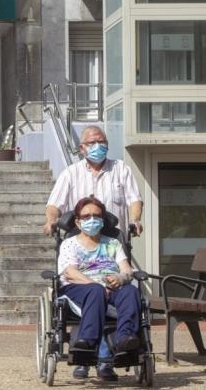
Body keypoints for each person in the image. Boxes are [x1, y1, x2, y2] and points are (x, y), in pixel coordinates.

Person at [44, 125, 144, 381]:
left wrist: (135, 220)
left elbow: (134, 199)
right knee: (95, 292)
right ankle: (89, 353)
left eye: (102, 141)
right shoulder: (71, 174)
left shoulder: (120, 169)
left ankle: (124, 344)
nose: (98, 145)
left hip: (111, 247)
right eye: (92, 142)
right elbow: (54, 204)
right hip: (87, 280)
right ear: (82, 148)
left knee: (130, 291)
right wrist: (51, 221)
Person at [58, 196, 142, 378]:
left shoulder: (113, 243)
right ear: (78, 221)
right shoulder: (69, 244)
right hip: (79, 287)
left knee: (131, 290)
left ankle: (124, 340)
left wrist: (121, 277)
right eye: (86, 216)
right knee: (95, 291)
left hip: (112, 287)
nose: (92, 219)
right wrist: (96, 284)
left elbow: (127, 269)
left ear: (103, 220)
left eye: (96, 216)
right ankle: (87, 343)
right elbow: (70, 272)